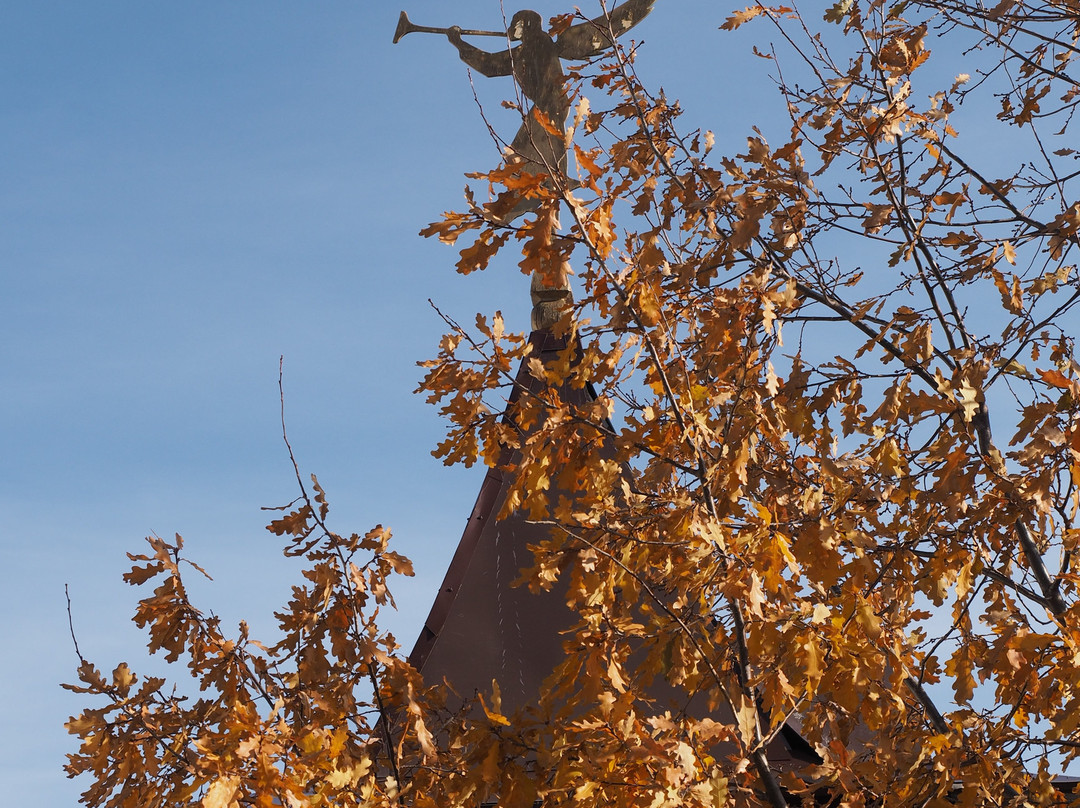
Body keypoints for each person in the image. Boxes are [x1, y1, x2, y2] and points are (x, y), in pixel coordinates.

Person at [445, 2, 657, 223]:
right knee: (527, 153)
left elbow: (490, 64)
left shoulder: (535, 45)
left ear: (525, 26)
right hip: (547, 106)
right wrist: (459, 43)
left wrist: (459, 43)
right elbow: (490, 65)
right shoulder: (528, 48)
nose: (513, 30)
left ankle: (537, 195)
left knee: (524, 154)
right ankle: (539, 196)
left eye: (517, 26)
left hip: (549, 106)